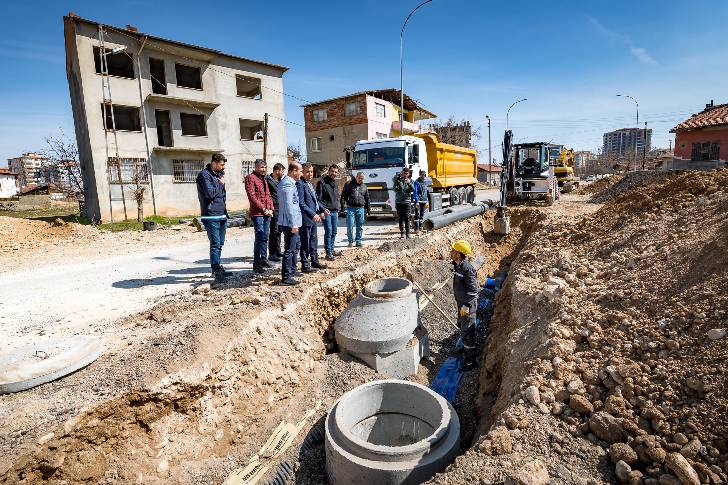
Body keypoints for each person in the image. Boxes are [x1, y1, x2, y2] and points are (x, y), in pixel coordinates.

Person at [196, 153, 232, 281]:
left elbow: (221, 195)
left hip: (221, 214)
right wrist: (220, 184)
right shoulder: (204, 175)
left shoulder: (218, 175)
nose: (223, 167)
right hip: (210, 215)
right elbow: (209, 193)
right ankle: (216, 270)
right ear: (214, 163)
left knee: (220, 243)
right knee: (215, 243)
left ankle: (217, 268)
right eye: (222, 165)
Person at [451, 239, 479, 371]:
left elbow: (474, 290)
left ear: (459, 254)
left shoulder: (467, 268)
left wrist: (466, 305)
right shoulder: (457, 265)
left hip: (467, 305)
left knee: (468, 330)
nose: (451, 251)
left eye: (453, 250)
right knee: (462, 325)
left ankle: (471, 361)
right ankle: (465, 348)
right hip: (461, 303)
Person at [244, 159, 274, 274]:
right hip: (258, 214)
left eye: (265, 167)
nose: (264, 170)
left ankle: (263, 259)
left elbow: (268, 195)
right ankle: (256, 264)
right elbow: (252, 196)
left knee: (265, 237)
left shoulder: (264, 179)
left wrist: (270, 208)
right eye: (261, 167)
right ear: (256, 167)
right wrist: (263, 209)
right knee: (259, 238)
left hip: (267, 213)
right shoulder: (250, 178)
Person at [297, 163, 328, 273]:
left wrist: (323, 209)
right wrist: (313, 214)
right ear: (302, 172)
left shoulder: (309, 183)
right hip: (306, 219)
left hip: (313, 218)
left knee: (314, 241)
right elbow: (301, 203)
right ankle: (305, 265)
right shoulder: (300, 184)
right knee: (305, 242)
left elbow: (315, 200)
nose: (310, 174)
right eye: (307, 172)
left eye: (311, 171)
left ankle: (315, 261)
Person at [277, 162, 303, 285]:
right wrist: (293, 223)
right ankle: (286, 277)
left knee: (294, 248)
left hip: (292, 222)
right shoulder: (287, 183)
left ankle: (291, 272)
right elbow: (288, 205)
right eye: (300, 171)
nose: (301, 173)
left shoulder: (289, 182)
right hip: (289, 223)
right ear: (293, 171)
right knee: (289, 250)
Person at [316, 164, 340, 261]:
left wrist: (338, 208)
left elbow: (336, 197)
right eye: (332, 171)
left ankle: (332, 249)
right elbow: (318, 199)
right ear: (328, 171)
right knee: (329, 231)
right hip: (326, 211)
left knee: (334, 231)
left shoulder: (335, 183)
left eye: (335, 172)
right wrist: (322, 210)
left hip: (335, 211)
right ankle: (328, 253)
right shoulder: (321, 182)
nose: (333, 173)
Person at [340, 172, 369, 247]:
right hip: (350, 208)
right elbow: (343, 196)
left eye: (362, 178)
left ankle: (358, 241)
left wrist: (368, 209)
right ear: (356, 177)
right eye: (359, 178)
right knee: (350, 226)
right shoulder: (349, 184)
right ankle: (350, 241)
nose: (361, 180)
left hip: (361, 209)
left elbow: (367, 198)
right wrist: (342, 206)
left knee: (360, 226)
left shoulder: (364, 186)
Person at [266, 163, 285, 262]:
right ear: (277, 171)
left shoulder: (279, 181)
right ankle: (272, 253)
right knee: (273, 231)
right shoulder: (268, 181)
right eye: (282, 171)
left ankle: (277, 251)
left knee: (279, 231)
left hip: (280, 209)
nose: (283, 173)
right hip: (274, 209)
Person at [393, 167, 414, 238]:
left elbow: (413, 189)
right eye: (404, 173)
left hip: (407, 201)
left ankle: (408, 233)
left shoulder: (410, 181)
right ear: (402, 173)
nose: (405, 174)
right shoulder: (398, 180)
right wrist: (397, 181)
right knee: (400, 218)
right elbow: (394, 189)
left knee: (407, 218)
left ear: (408, 174)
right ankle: (402, 233)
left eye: (406, 173)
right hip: (399, 202)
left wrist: (408, 183)